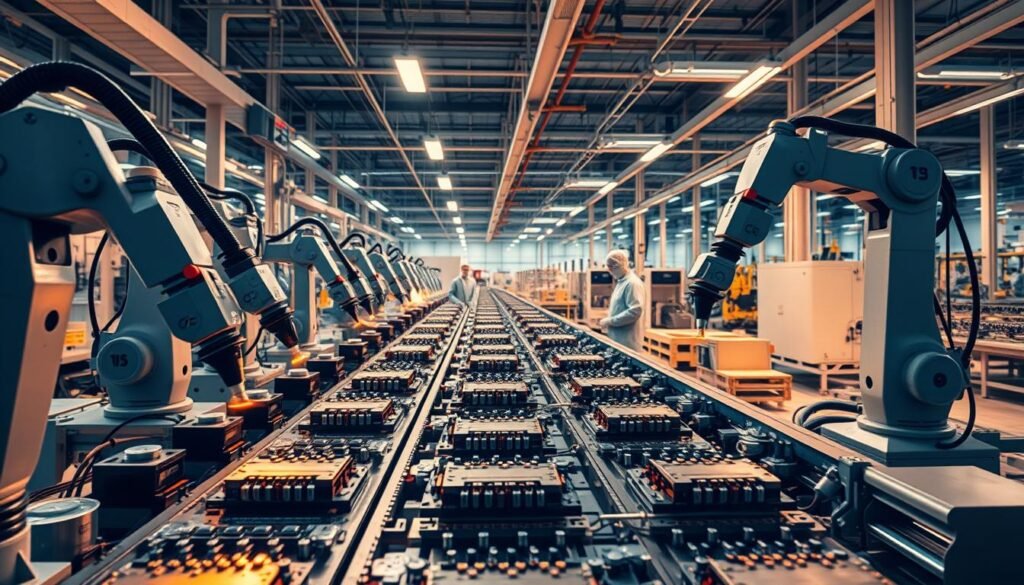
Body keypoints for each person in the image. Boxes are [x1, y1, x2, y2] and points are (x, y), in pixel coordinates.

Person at [599, 249, 646, 350]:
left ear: (619, 265)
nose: (610, 271)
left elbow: (635, 311)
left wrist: (610, 321)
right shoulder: (622, 282)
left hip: (628, 342)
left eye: (611, 268)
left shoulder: (632, 283)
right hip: (618, 339)